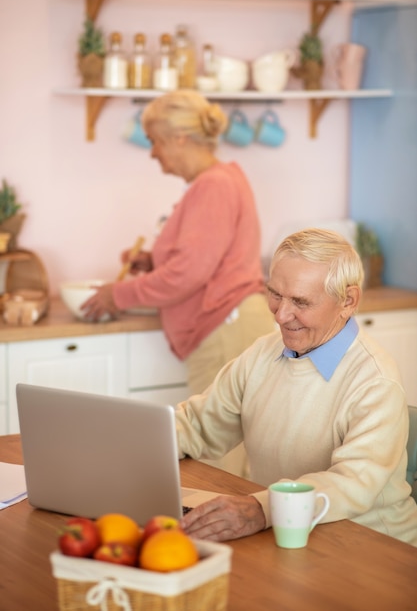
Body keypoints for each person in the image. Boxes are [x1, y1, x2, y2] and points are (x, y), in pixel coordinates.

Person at [176, 228, 417, 546]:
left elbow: (353, 483)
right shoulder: (263, 352)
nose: (281, 314)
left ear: (348, 301)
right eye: (275, 294)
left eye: (301, 301)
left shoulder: (374, 381)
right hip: (288, 532)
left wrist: (263, 509)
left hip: (370, 545)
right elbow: (199, 425)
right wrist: (135, 441)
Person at [82, 90, 275, 475]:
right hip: (230, 323)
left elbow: (189, 273)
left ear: (179, 138)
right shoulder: (222, 179)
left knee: (218, 464)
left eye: (154, 140)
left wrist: (116, 294)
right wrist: (152, 261)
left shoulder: (213, 185)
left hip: (226, 327)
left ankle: (220, 538)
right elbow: (204, 257)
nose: (152, 152)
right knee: (225, 455)